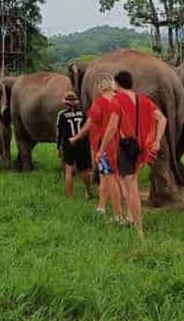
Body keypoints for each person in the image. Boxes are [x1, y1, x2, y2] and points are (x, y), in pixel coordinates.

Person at [108, 70, 167, 236]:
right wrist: (156, 140)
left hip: (125, 146)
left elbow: (112, 127)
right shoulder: (143, 99)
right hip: (140, 146)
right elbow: (162, 119)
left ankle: (139, 229)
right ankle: (130, 216)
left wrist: (101, 147)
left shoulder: (117, 100)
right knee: (125, 182)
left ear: (117, 83)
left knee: (131, 188)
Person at [70, 74, 122, 220]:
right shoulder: (119, 100)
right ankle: (101, 207)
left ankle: (118, 215)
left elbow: (90, 123)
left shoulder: (99, 102)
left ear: (100, 86)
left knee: (112, 179)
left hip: (104, 146)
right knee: (105, 177)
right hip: (118, 144)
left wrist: (77, 137)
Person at [56, 91, 93, 200]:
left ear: (66, 103)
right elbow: (87, 129)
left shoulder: (62, 115)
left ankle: (70, 197)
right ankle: (88, 191)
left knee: (68, 170)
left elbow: (60, 133)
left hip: (68, 144)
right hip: (83, 143)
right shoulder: (83, 113)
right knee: (85, 170)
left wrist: (58, 147)